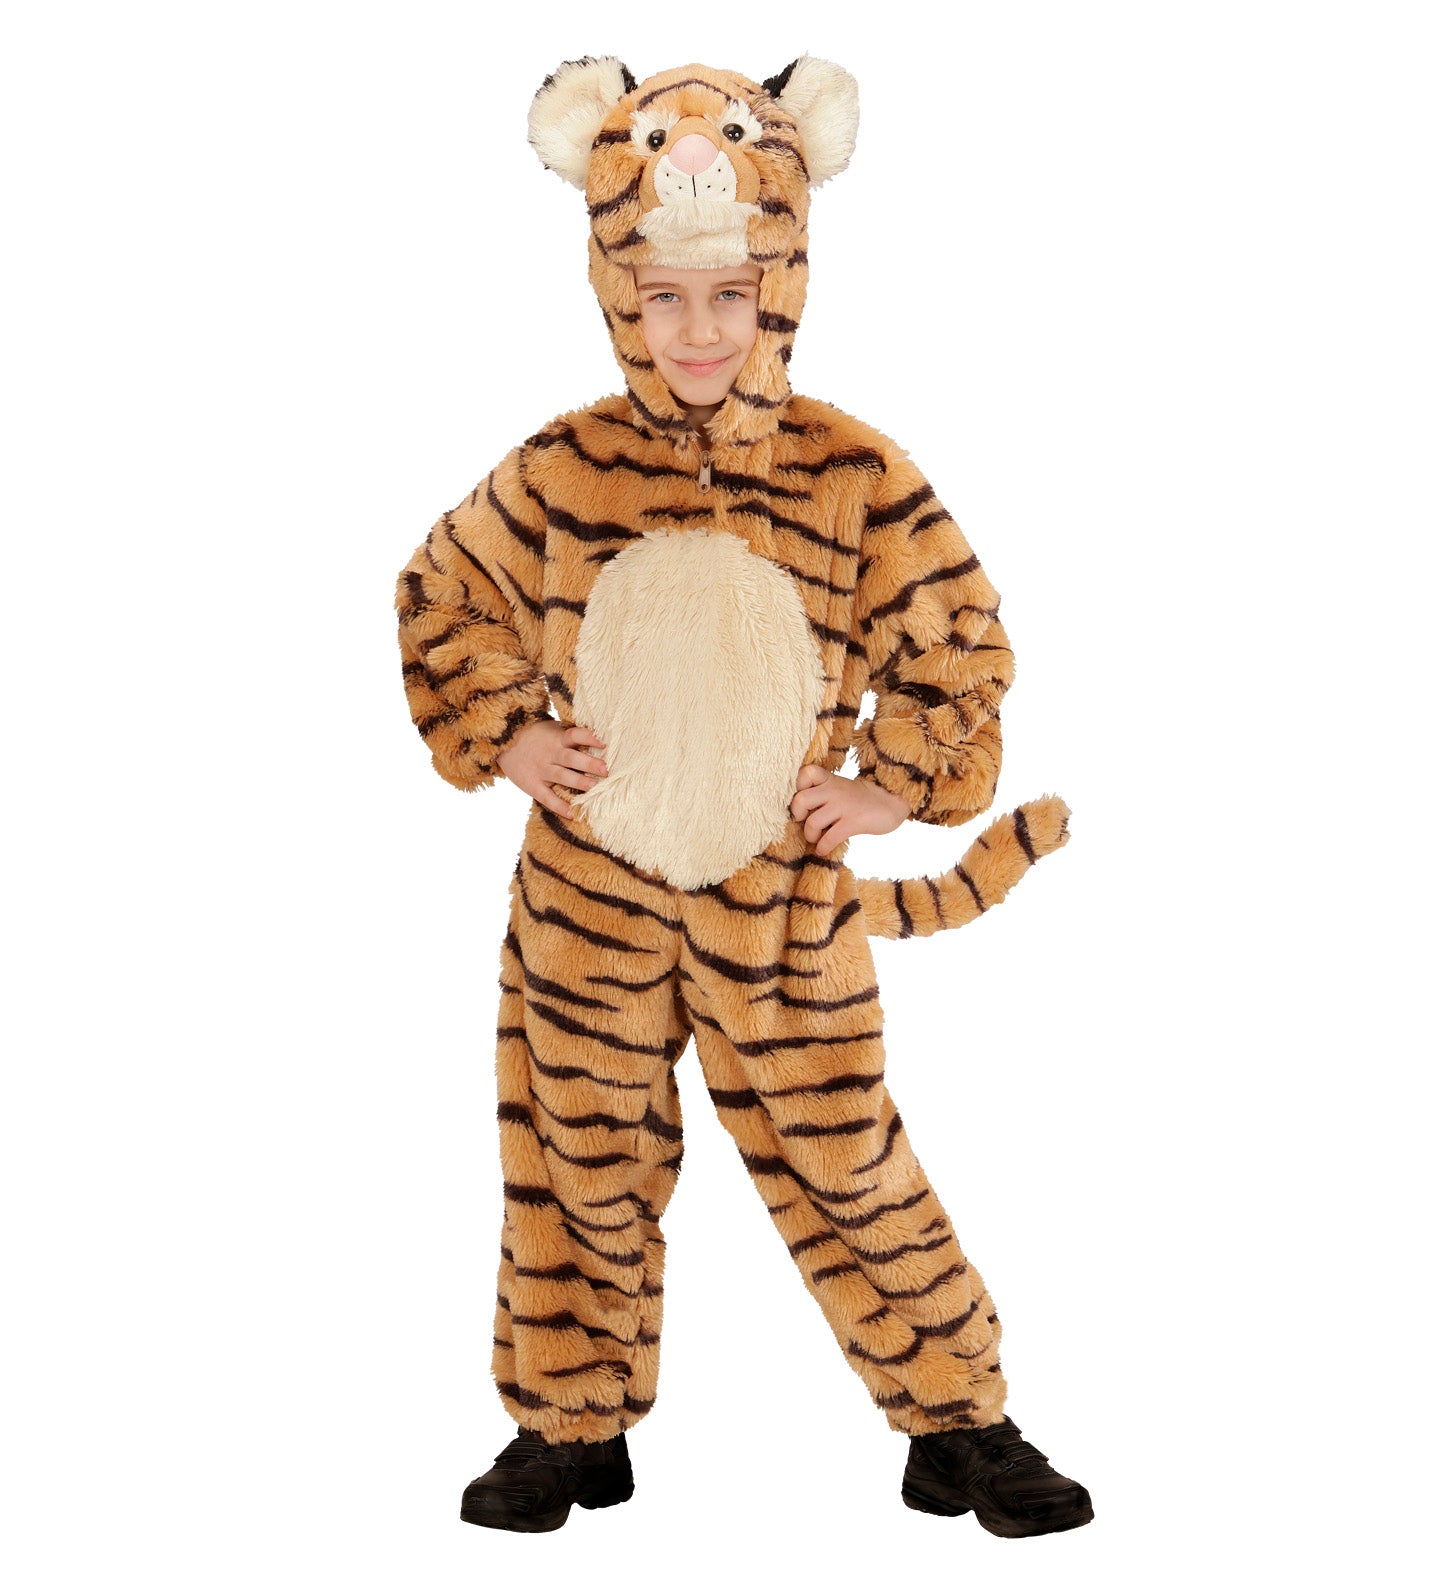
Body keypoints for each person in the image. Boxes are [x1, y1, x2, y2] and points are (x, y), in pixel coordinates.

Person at [393, 55, 1091, 1539]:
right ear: (615, 292)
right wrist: (507, 734)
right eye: (663, 296)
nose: (698, 329)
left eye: (729, 293)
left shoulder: (853, 474)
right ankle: (566, 1422)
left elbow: (959, 638)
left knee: (846, 1159)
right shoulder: (560, 470)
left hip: (781, 908)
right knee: (574, 1152)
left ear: (782, 285)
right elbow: (440, 593)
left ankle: (958, 1418)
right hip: (585, 899)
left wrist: (892, 785)